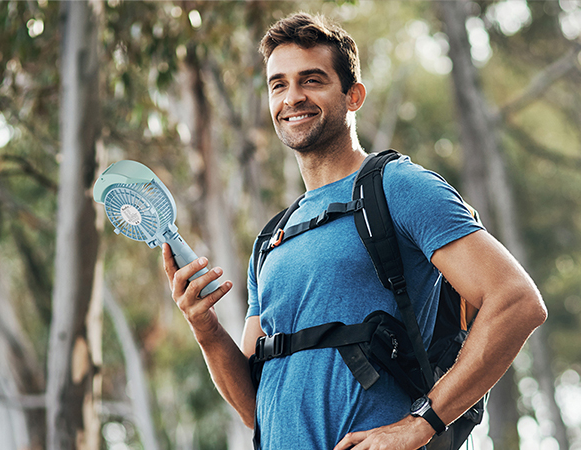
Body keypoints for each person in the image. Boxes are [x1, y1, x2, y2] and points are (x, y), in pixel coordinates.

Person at [162, 12, 547, 450]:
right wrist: (206, 328)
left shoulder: (399, 187)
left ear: (353, 95)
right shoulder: (271, 240)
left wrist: (419, 424)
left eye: (312, 80)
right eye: (279, 84)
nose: (292, 98)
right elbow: (256, 408)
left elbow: (517, 301)